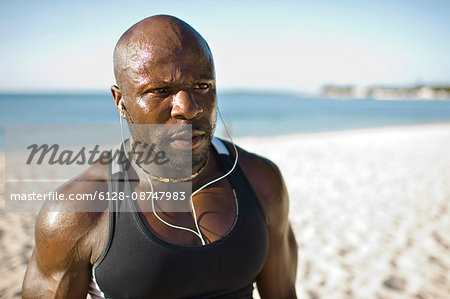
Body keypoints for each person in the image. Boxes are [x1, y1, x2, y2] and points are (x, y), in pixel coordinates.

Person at [22, 15, 298, 298]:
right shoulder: (77, 211)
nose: (188, 108)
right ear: (121, 102)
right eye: (160, 91)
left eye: (202, 86)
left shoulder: (260, 179)